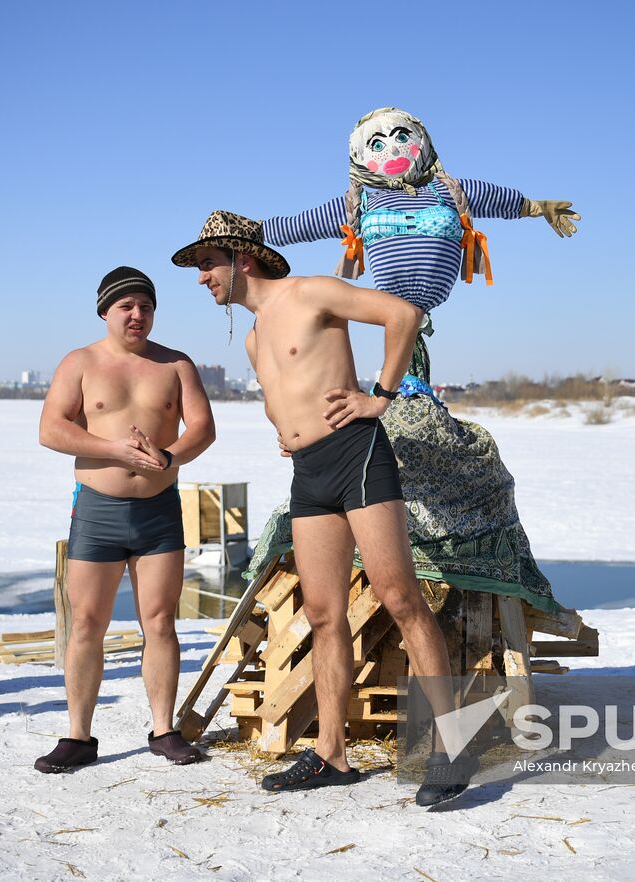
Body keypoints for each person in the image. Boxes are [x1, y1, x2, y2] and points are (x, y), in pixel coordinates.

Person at [173, 211, 469, 807]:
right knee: (325, 614)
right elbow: (282, 392)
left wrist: (378, 396)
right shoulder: (255, 336)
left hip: (357, 453)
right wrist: (287, 429)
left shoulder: (310, 292)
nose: (201, 278)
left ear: (240, 258)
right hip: (307, 474)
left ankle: (452, 746)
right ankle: (332, 754)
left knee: (400, 595)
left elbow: (404, 315)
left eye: (206, 264)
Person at [242, 107, 572, 618]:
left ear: (422, 141)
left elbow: (499, 198)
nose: (391, 149)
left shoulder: (451, 191)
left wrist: (538, 207)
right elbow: (295, 226)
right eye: (376, 144)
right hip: (392, 317)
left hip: (415, 320)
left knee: (419, 399)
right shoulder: (360, 202)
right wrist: (249, 234)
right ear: (358, 157)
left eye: (401, 138)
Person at [34, 267, 215, 773]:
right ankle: (78, 736)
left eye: (146, 307)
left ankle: (164, 728)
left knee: (160, 621)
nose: (138, 316)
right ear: (105, 311)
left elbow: (202, 427)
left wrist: (170, 457)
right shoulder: (81, 362)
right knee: (87, 622)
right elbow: (51, 429)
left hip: (159, 513)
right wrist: (115, 450)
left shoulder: (176, 364)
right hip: (97, 510)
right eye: (127, 307)